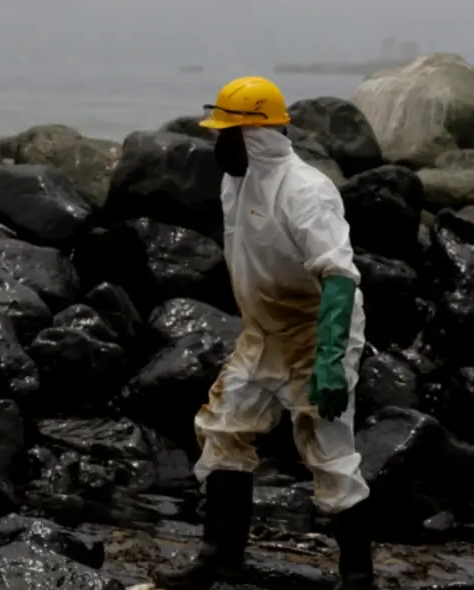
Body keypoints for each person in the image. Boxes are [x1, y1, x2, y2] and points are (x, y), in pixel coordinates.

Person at [152, 76, 374, 590]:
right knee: (223, 428)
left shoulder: (306, 191)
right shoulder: (237, 181)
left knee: (328, 453)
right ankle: (220, 558)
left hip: (318, 330)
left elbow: (339, 277)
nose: (219, 143)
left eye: (226, 134)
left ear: (256, 134)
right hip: (264, 332)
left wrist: (330, 361)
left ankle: (358, 578)